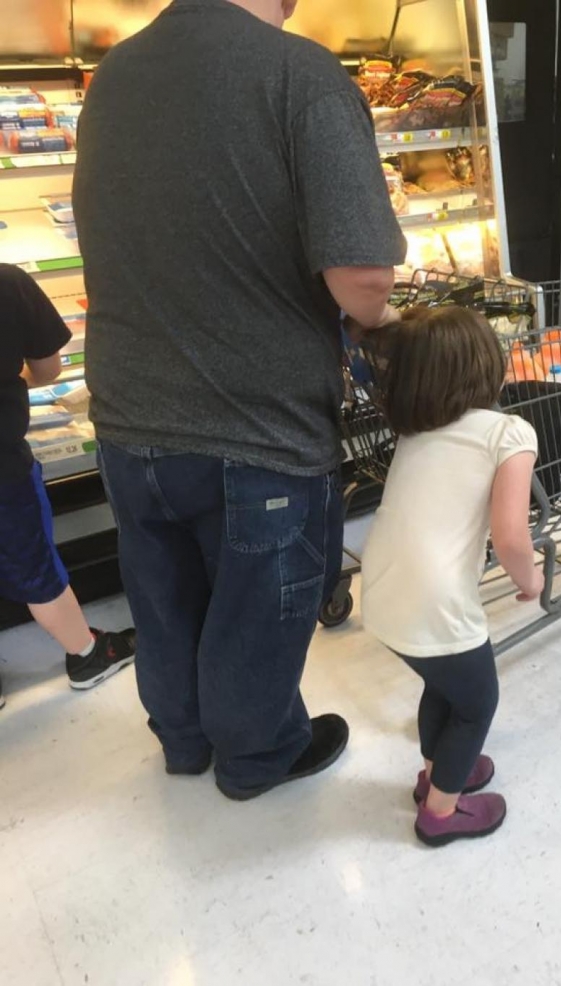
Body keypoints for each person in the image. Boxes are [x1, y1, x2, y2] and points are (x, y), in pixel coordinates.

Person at [72, 0, 406, 796]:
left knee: (163, 600)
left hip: (127, 418)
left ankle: (184, 744)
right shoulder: (300, 74)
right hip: (256, 423)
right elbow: (361, 274)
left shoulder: (116, 73)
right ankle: (260, 757)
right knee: (256, 613)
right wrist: (390, 324)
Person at [361, 307, 543, 847]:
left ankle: (434, 772)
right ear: (488, 364)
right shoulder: (509, 432)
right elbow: (511, 536)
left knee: (440, 683)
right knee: (476, 702)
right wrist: (531, 580)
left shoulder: (416, 433)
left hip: (382, 590)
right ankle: (441, 813)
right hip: (435, 600)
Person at [0, 263, 135, 709]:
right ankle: (87, 654)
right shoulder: (9, 283)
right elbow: (47, 370)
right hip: (3, 468)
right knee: (35, 565)